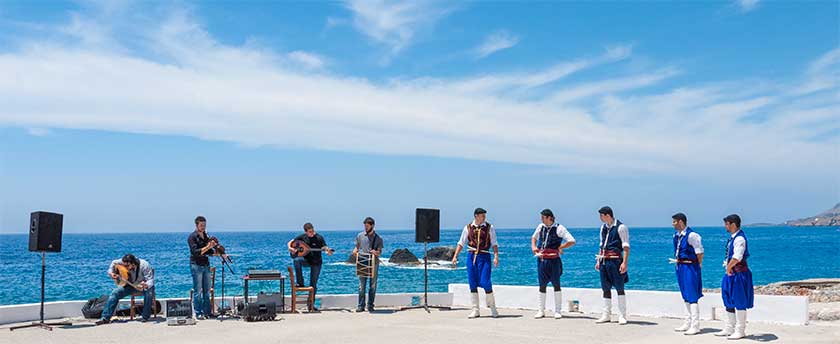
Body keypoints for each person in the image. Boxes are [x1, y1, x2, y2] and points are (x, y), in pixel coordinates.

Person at [452, 207, 500, 318]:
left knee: (485, 281)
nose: (484, 218)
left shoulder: (489, 228)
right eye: (482, 215)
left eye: (485, 216)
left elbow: (494, 243)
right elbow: (461, 243)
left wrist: (496, 256)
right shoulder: (468, 228)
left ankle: (493, 308)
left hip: (484, 256)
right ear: (476, 216)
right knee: (472, 282)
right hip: (471, 256)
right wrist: (455, 256)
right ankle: (475, 310)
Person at [531, 208, 576, 319]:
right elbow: (534, 237)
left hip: (554, 260)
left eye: (543, 217)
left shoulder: (559, 228)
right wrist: (533, 247)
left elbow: (572, 241)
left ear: (549, 217)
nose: (541, 219)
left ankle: (558, 310)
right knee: (542, 285)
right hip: (541, 260)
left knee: (556, 284)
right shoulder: (540, 227)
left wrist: (561, 247)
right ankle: (541, 310)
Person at [717, 214, 754, 340]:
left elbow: (737, 257)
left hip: (739, 274)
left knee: (739, 301)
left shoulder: (740, 239)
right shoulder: (732, 238)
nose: (725, 226)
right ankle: (729, 327)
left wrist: (728, 267)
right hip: (731, 274)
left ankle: (740, 330)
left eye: (727, 224)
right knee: (727, 299)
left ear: (733, 224)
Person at [594, 206, 630, 325]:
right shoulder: (603, 228)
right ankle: (606, 314)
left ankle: (622, 315)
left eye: (601, 215)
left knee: (620, 288)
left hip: (615, 261)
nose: (600, 218)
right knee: (605, 288)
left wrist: (624, 263)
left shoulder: (621, 227)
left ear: (607, 215)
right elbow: (601, 245)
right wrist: (598, 261)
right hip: (604, 261)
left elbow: (625, 246)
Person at [95, 254, 154, 325]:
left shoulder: (144, 265)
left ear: (133, 263)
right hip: (130, 285)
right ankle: (105, 318)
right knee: (115, 293)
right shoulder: (123, 262)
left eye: (127, 266)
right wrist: (111, 273)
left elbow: (150, 280)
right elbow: (113, 262)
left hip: (143, 286)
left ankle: (145, 316)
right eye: (124, 265)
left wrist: (146, 284)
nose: (125, 267)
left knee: (149, 292)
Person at [671, 212, 704, 335]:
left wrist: (697, 265)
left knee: (692, 295)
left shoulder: (692, 236)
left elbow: (700, 252)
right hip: (680, 267)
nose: (672, 224)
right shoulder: (676, 236)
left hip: (690, 266)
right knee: (685, 294)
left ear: (680, 222)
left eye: (674, 221)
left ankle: (695, 325)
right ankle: (687, 322)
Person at [287, 222, 332, 300]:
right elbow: (291, 242)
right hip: (306, 261)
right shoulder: (302, 237)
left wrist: (327, 250)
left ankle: (311, 305)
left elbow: (324, 246)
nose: (312, 233)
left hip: (316, 263)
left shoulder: (319, 237)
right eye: (310, 232)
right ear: (305, 232)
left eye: (312, 231)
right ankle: (300, 282)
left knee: (313, 284)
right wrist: (290, 248)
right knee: (296, 260)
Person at [188, 215, 216, 319]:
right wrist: (207, 247)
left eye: (204, 225)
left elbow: (209, 251)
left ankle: (207, 312)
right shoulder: (192, 237)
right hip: (196, 265)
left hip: (206, 264)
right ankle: (198, 312)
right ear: (196, 225)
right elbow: (195, 252)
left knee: (207, 290)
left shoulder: (206, 236)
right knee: (198, 290)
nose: (203, 227)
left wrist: (216, 250)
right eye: (201, 225)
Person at [353, 217, 383, 313]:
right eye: (365, 226)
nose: (365, 228)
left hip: (374, 263)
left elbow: (380, 252)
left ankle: (370, 305)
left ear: (372, 226)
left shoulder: (378, 238)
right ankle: (360, 306)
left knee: (372, 285)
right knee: (361, 286)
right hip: (362, 261)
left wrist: (376, 252)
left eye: (367, 226)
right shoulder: (360, 235)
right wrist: (355, 250)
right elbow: (357, 247)